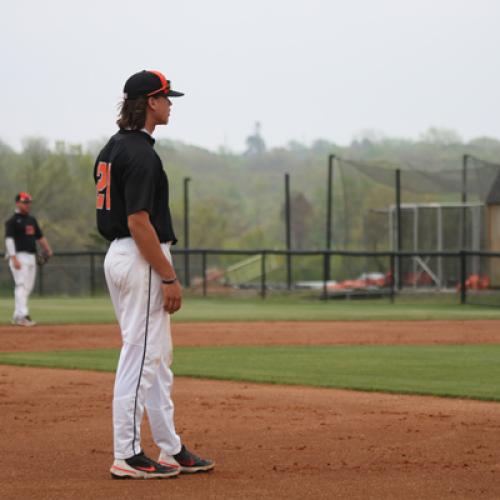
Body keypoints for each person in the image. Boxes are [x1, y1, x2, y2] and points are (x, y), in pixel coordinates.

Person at [94, 70, 214, 479]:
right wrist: (168, 275)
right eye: (165, 97)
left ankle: (170, 447)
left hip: (123, 256)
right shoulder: (142, 153)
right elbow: (139, 221)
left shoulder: (113, 147)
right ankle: (125, 454)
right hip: (141, 256)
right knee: (141, 356)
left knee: (157, 357)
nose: (170, 104)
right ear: (149, 102)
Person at [4, 192, 53, 327]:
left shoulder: (32, 220)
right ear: (17, 203)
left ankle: (17, 315)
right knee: (21, 285)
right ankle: (22, 315)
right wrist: (13, 258)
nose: (27, 204)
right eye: (24, 202)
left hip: (31, 256)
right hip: (18, 256)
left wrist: (48, 249)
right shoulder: (12, 221)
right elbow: (9, 240)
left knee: (27, 288)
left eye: (28, 202)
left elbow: (40, 237)